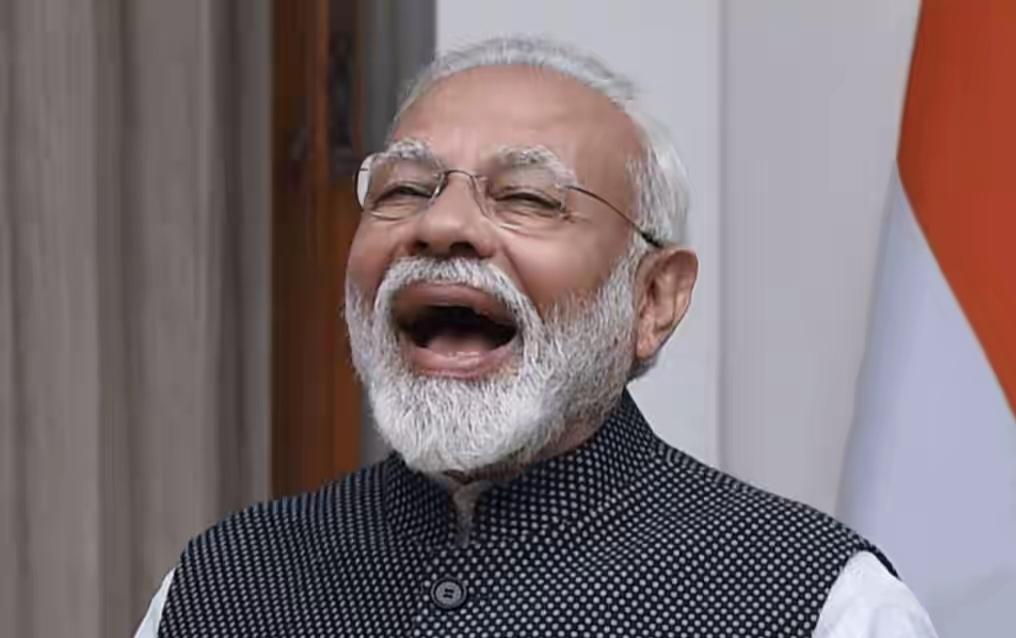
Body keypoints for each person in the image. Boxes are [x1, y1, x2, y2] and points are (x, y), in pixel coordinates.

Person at [136, 36, 937, 637]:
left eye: (526, 197)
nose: (440, 225)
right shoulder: (219, 587)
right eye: (404, 189)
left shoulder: (811, 601)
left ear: (654, 299)